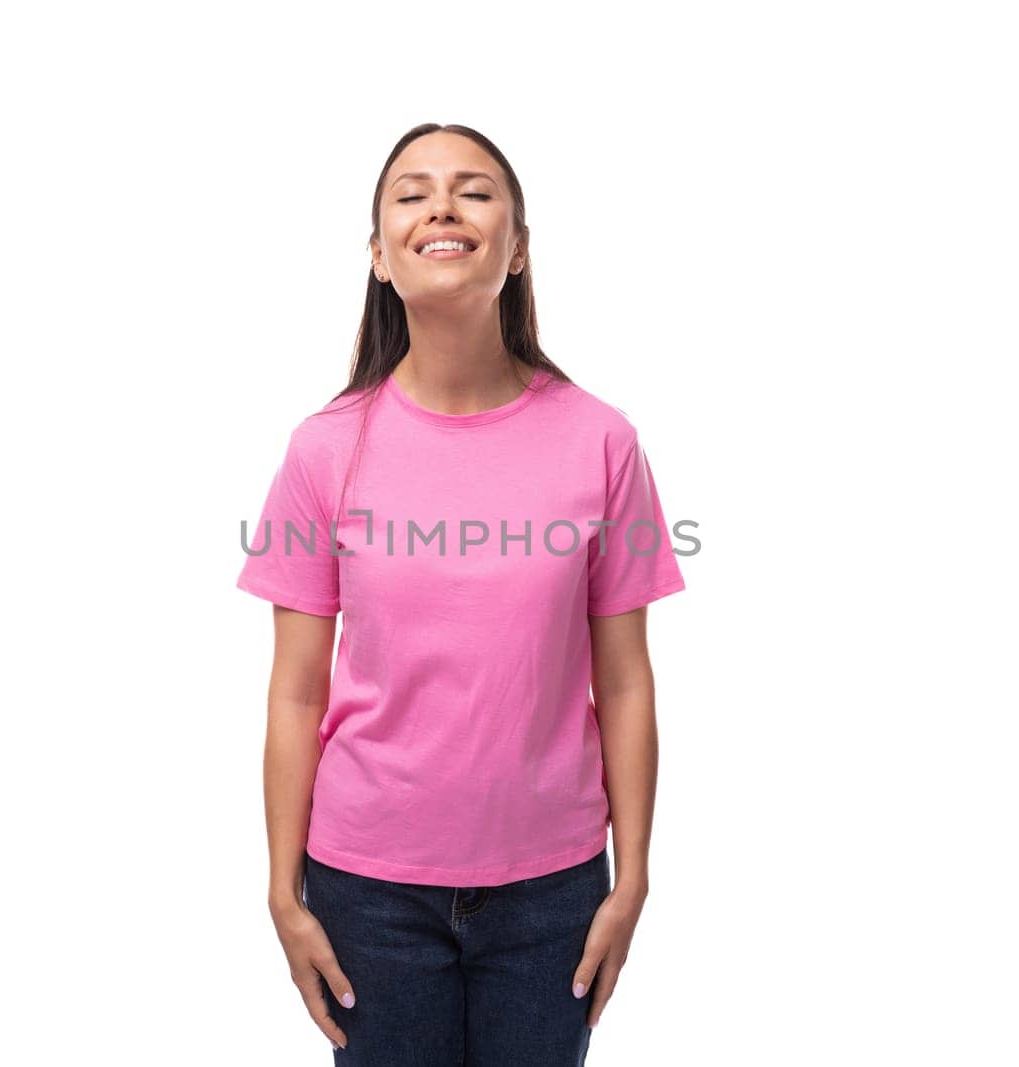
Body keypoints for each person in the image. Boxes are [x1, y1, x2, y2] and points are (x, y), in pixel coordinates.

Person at [237, 123, 688, 1066]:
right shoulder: (324, 449)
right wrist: (284, 890)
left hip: (553, 890)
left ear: (518, 247)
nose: (442, 205)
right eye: (411, 192)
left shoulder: (602, 441)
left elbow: (629, 680)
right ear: (379, 256)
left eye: (475, 190)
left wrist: (633, 873)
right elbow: (295, 691)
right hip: (367, 887)